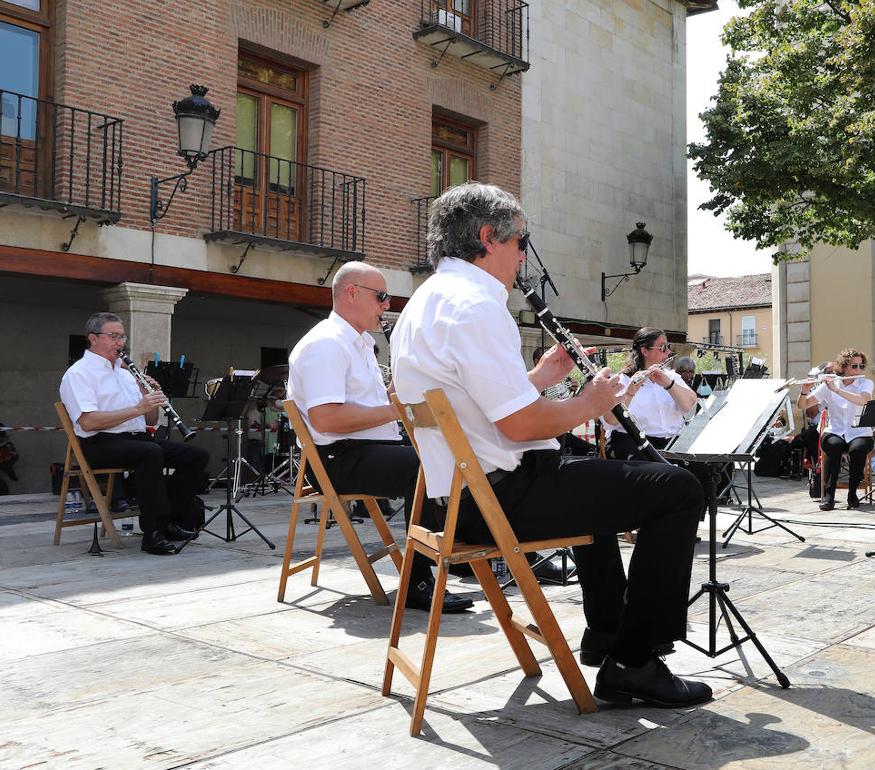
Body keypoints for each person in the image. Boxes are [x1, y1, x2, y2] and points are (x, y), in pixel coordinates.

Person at [390, 182, 711, 708]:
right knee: (678, 489)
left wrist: (538, 378)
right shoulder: (475, 306)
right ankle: (635, 662)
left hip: (458, 502)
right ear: (489, 237)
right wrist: (593, 399)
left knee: (602, 495)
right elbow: (521, 427)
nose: (524, 255)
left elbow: (483, 407)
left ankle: (608, 637)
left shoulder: (426, 303)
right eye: (522, 241)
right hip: (501, 499)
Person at [288, 261, 472, 613]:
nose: (388, 305)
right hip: (337, 459)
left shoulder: (355, 343)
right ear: (352, 293)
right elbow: (325, 419)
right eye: (382, 297)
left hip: (363, 449)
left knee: (444, 451)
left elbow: (370, 405)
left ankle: (455, 555)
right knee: (427, 466)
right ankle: (421, 578)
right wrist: (395, 410)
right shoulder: (326, 344)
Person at [59, 312, 209, 555]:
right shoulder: (79, 374)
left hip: (136, 440)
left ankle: (172, 520)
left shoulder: (125, 373)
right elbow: (88, 422)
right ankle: (153, 533)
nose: (120, 343)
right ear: (93, 339)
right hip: (98, 444)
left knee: (196, 455)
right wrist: (137, 407)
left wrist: (146, 399)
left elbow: (148, 421)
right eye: (114, 336)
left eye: (122, 337)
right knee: (149, 453)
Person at [603, 327, 698, 460]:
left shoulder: (671, 377)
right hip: (633, 443)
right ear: (645, 351)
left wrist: (668, 384)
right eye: (663, 347)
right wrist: (630, 392)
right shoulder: (621, 380)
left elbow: (691, 409)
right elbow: (610, 420)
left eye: (668, 346)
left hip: (671, 444)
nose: (668, 352)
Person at [807, 349, 874, 510]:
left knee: (858, 450)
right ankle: (829, 495)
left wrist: (836, 390)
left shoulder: (866, 383)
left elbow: (862, 400)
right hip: (835, 431)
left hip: (860, 432)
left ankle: (852, 493)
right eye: (854, 366)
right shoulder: (830, 384)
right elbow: (804, 405)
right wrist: (805, 389)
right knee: (832, 445)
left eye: (861, 366)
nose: (858, 370)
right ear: (844, 367)